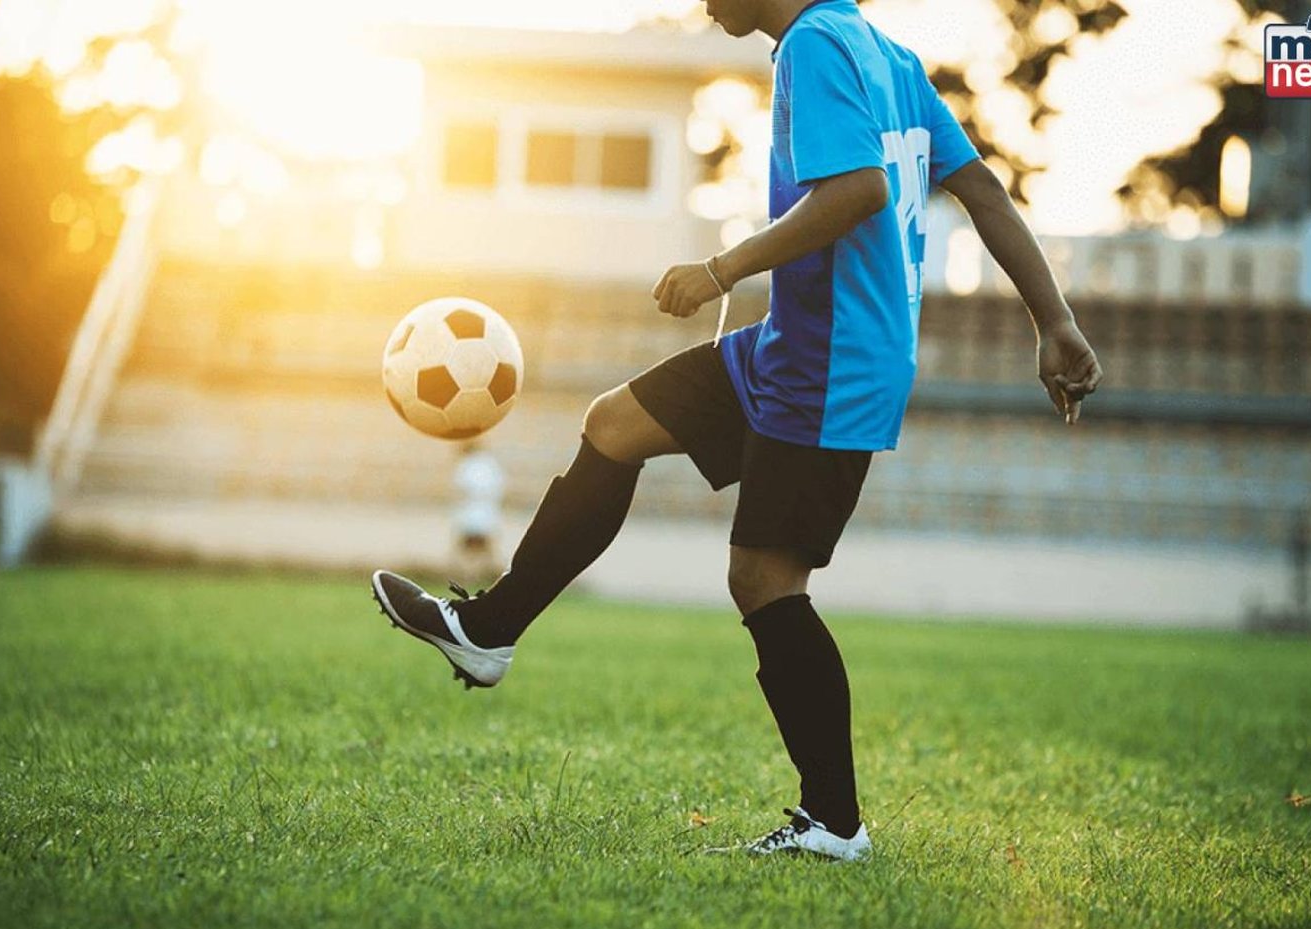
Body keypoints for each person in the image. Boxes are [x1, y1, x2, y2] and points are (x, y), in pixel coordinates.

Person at [371, 0, 1103, 862]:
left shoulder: (815, 45)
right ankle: (489, 630)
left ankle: (834, 824)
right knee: (613, 425)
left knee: (764, 580)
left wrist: (720, 268)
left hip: (834, 361)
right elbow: (979, 189)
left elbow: (859, 191)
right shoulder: (888, 56)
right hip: (792, 346)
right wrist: (1053, 321)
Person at [451, 441, 506, 583]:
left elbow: (460, 488)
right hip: (486, 511)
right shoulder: (490, 464)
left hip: (472, 510)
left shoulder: (467, 464)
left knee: (468, 547)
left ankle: (469, 576)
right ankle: (488, 576)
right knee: (484, 546)